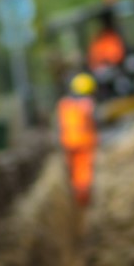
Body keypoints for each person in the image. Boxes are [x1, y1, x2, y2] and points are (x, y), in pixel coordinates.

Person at [56, 72, 99, 207]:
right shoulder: (87, 104)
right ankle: (83, 199)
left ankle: (75, 196)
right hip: (84, 142)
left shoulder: (63, 103)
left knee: (73, 169)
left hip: (68, 141)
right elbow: (94, 120)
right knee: (84, 170)